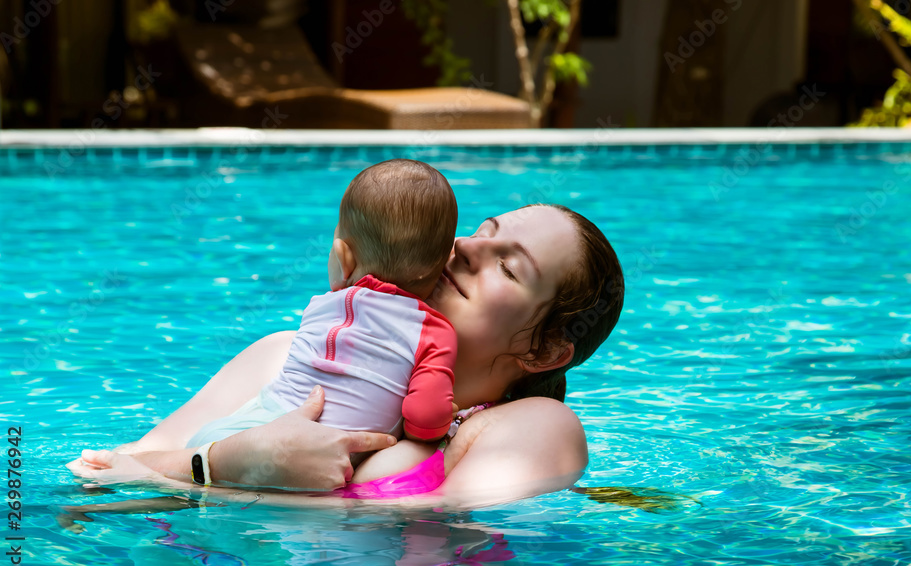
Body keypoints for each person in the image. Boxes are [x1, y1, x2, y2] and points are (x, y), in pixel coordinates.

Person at [69, 203, 624, 508]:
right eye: (481, 231)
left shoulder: (535, 427)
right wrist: (221, 465)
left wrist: (220, 468)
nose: (466, 246)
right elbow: (98, 477)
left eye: (508, 266)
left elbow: (427, 522)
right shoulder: (284, 356)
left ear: (547, 350)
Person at [184, 159, 459, 491]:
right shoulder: (433, 330)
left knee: (204, 451)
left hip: (255, 426)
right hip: (328, 455)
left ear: (345, 258)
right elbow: (425, 418)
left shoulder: (320, 306)